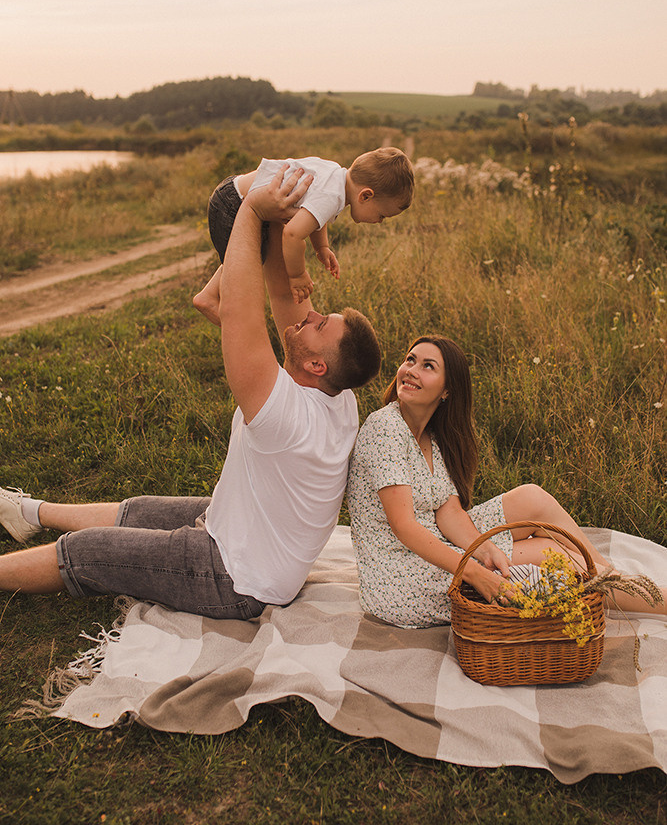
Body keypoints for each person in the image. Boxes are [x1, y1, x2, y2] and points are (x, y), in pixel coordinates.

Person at [0, 166, 382, 619]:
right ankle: (25, 513)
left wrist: (252, 211)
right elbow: (282, 288)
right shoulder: (337, 392)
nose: (309, 314)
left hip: (235, 579)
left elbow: (240, 303)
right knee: (139, 511)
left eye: (319, 323)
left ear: (317, 364)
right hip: (250, 538)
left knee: (85, 550)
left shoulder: (282, 409)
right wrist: (286, 220)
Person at [346, 335, 667, 628]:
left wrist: (485, 550)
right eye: (410, 360)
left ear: (447, 391)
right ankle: (640, 594)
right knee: (556, 555)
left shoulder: (430, 436)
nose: (411, 370)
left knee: (532, 498)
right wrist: (474, 571)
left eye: (427, 366)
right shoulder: (385, 427)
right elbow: (404, 527)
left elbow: (447, 511)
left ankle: (614, 581)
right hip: (399, 575)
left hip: (433, 543)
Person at [193, 146, 414, 323]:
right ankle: (213, 299)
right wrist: (297, 276)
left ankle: (211, 296)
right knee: (246, 267)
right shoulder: (331, 195)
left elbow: (315, 217)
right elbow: (292, 235)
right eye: (382, 215)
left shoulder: (336, 178)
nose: (379, 222)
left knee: (253, 256)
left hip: (234, 190)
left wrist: (322, 247)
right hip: (233, 205)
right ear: (365, 196)